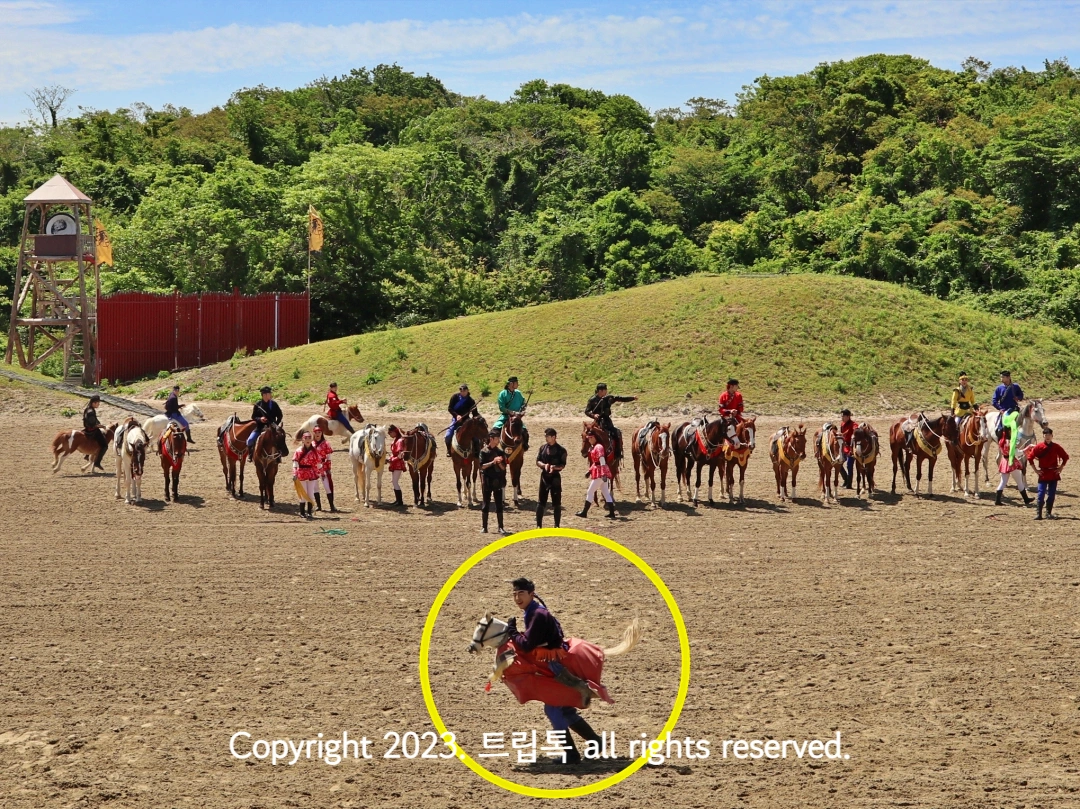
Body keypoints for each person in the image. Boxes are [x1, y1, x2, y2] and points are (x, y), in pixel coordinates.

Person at [507, 578, 603, 765]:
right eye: (514, 594)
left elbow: (526, 645)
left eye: (521, 594)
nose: (517, 598)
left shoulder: (537, 615)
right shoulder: (533, 611)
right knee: (564, 709)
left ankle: (572, 754)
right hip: (554, 660)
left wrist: (512, 631)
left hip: (555, 666)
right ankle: (594, 741)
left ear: (531, 594)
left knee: (552, 708)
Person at [1026, 426, 1069, 520]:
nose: (1047, 437)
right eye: (1046, 435)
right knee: (1041, 494)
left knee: (1052, 494)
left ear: (1052, 436)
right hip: (1044, 473)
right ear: (1043, 436)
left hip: (1053, 473)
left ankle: (1048, 513)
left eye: (1049, 435)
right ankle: (1039, 514)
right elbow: (1030, 457)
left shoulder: (1056, 447)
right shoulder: (1039, 447)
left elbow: (1065, 457)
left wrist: (1061, 468)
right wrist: (1036, 470)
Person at [584, 383, 636, 460]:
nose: (606, 391)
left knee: (616, 433)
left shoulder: (609, 398)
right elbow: (587, 411)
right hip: (597, 422)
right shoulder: (592, 400)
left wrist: (632, 398)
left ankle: (617, 453)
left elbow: (620, 398)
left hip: (606, 420)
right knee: (588, 435)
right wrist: (593, 415)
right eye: (605, 390)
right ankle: (586, 452)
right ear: (600, 391)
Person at [576, 431, 616, 519]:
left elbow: (602, 460)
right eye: (588, 438)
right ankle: (612, 512)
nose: (589, 440)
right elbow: (596, 462)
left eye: (590, 438)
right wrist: (590, 471)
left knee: (590, 491)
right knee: (605, 492)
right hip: (599, 471)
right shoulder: (595, 447)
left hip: (599, 473)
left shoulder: (598, 447)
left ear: (594, 437)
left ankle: (584, 512)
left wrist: (603, 473)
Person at [478, 429, 509, 534]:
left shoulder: (500, 452)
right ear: (491, 439)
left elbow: (504, 468)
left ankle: (500, 527)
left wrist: (500, 463)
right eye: (497, 438)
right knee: (486, 503)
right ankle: (484, 527)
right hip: (487, 481)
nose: (498, 440)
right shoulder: (483, 451)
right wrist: (493, 462)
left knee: (499, 504)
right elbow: (482, 466)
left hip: (498, 480)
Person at [536, 428, 567, 528]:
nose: (546, 438)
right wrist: (544, 465)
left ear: (553, 437)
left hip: (555, 478)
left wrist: (554, 467)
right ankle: (539, 525)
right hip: (544, 477)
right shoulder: (542, 448)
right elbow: (538, 461)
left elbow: (562, 465)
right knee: (541, 501)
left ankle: (557, 525)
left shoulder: (561, 450)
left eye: (547, 436)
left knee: (557, 502)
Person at [995, 426, 1031, 507]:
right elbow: (1017, 453)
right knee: (1019, 481)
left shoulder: (1001, 441)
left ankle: (997, 500)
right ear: (1009, 432)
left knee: (1003, 482)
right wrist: (1026, 449)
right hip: (1011, 463)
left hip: (1004, 461)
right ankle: (1026, 499)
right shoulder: (1011, 441)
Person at [494, 376, 528, 452]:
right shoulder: (502, 394)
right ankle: (492, 447)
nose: (518, 384)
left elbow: (523, 402)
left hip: (517, 417)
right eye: (516, 383)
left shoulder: (518, 393)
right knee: (495, 430)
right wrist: (511, 412)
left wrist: (523, 408)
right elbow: (502, 407)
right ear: (511, 384)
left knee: (525, 432)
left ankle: (524, 446)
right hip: (506, 416)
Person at [248, 386, 284, 457]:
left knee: (280, 438)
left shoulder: (274, 404)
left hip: (272, 428)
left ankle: (278, 456)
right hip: (260, 427)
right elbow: (253, 417)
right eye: (269, 393)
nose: (271, 395)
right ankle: (251, 455)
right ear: (264, 395)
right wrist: (260, 419)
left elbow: (280, 415)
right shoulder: (258, 404)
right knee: (250, 440)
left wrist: (275, 424)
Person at [292, 432, 321, 517]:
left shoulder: (314, 451)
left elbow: (318, 462)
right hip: (301, 473)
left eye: (309, 438)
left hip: (311, 473)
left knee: (311, 493)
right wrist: (294, 473)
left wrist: (320, 471)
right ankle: (302, 512)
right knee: (303, 493)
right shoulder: (298, 451)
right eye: (306, 438)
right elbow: (295, 462)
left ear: (311, 439)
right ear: (303, 440)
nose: (308, 440)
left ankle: (309, 512)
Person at [444, 384, 477, 457]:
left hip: (466, 420)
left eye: (464, 391)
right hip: (455, 419)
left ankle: (476, 452)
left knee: (475, 437)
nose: (463, 392)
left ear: (467, 390)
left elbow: (475, 413)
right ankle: (449, 450)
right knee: (448, 436)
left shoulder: (471, 401)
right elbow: (450, 408)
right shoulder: (454, 397)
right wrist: (456, 416)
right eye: (461, 391)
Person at [311, 425, 337, 512]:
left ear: (322, 433)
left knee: (327, 487)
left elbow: (328, 457)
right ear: (313, 433)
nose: (318, 434)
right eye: (316, 432)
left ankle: (331, 505)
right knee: (315, 487)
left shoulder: (326, 444)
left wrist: (328, 468)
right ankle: (319, 506)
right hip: (314, 468)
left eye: (319, 432)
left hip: (324, 467)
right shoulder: (311, 444)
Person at [83, 394, 108, 471]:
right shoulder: (91, 411)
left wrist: (99, 424)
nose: (98, 404)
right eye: (98, 403)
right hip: (92, 430)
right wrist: (101, 426)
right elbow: (92, 424)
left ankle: (87, 455)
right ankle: (97, 462)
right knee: (104, 445)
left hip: (87, 428)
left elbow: (95, 421)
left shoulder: (89, 409)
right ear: (94, 403)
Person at [838, 409, 857, 489]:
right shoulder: (842, 424)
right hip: (844, 448)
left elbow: (856, 433)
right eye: (841, 416)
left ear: (848, 416)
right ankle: (845, 480)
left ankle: (849, 484)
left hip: (851, 448)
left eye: (843, 416)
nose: (842, 418)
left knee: (849, 465)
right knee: (839, 464)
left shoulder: (854, 425)